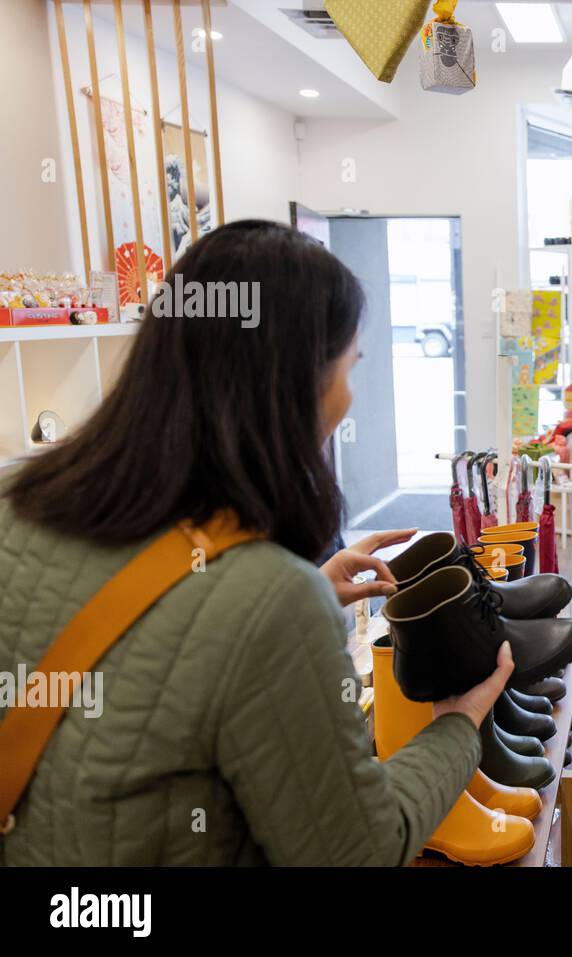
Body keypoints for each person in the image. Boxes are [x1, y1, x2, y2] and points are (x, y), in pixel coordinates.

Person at [0, 220, 510, 866]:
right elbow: (357, 848)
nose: (349, 396)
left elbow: (140, 647)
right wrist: (458, 724)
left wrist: (302, 595)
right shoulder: (267, 600)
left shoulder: (19, 510)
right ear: (296, 383)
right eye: (349, 367)